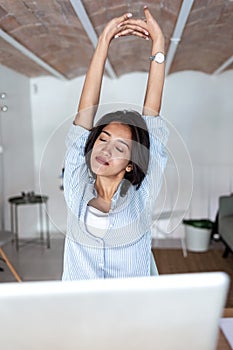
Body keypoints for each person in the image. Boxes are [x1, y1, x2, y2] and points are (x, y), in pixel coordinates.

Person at [62, 6, 169, 280]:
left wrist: (158, 46)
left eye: (120, 147)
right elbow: (85, 115)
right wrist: (102, 44)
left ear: (132, 164)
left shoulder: (142, 198)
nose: (106, 149)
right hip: (82, 316)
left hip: (134, 315)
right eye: (103, 138)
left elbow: (152, 118)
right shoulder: (76, 187)